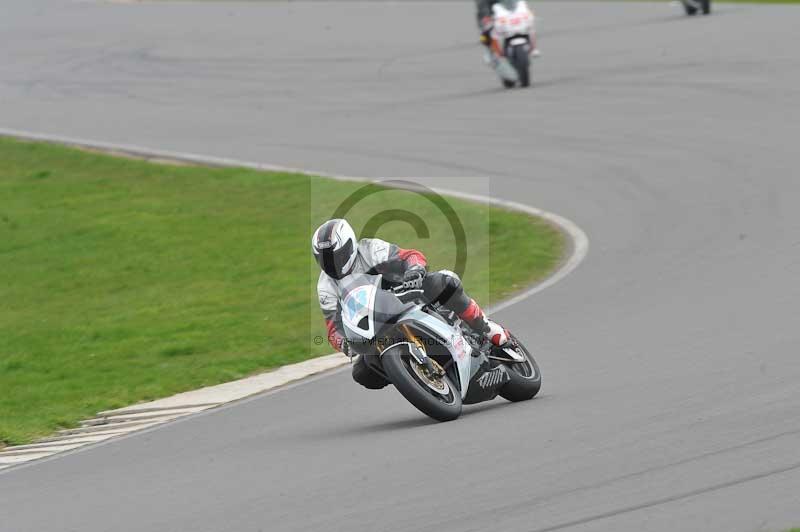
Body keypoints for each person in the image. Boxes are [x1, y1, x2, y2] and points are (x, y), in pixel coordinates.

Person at [312, 218, 511, 389]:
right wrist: (344, 343)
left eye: (336, 256)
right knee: (362, 373)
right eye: (325, 259)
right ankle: (411, 374)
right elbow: (332, 327)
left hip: (404, 295)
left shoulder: (370, 249)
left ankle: (485, 327)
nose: (332, 264)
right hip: (375, 326)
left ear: (350, 245)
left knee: (444, 282)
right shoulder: (325, 286)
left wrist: (414, 271)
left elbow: (410, 256)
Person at [476, 0, 540, 59]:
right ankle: (492, 54)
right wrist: (485, 16)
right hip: (492, 11)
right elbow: (482, 7)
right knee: (486, 33)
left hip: (508, 11)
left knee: (529, 21)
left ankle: (534, 47)